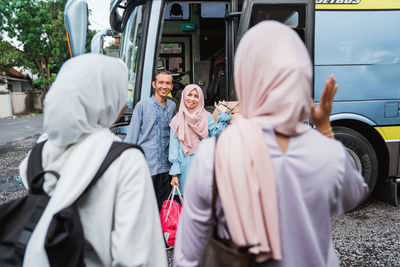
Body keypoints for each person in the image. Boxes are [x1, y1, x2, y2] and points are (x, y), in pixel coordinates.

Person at [174, 21, 368, 267]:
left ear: (244, 76)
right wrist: (325, 131)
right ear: (300, 76)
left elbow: (188, 255)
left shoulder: (213, 155)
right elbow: (353, 196)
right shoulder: (328, 155)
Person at [19, 54, 167, 267]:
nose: (124, 104)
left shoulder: (36, 156)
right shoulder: (125, 161)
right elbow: (138, 258)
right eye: (119, 95)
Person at [125, 70, 176, 210]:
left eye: (168, 83)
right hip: (147, 165)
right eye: (161, 82)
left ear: (171, 86)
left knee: (163, 207)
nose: (164, 86)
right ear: (154, 84)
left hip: (166, 167)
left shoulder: (172, 106)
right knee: (145, 207)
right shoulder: (142, 106)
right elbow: (131, 138)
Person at [169, 84, 231, 194]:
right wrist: (175, 175)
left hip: (206, 167)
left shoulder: (207, 117)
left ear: (200, 99)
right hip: (185, 170)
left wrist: (222, 115)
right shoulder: (177, 120)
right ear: (184, 96)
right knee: (188, 204)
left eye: (196, 96)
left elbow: (219, 136)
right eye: (189, 95)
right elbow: (174, 150)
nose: (192, 99)